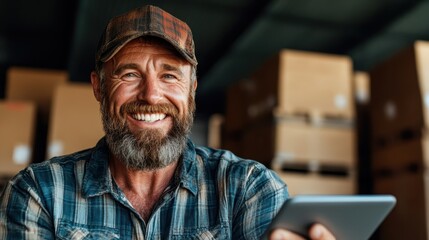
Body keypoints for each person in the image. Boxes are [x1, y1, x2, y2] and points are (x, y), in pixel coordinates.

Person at [0, 5, 335, 240]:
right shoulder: (40, 193)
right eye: (129, 74)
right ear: (99, 87)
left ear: (191, 90)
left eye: (170, 76)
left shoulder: (246, 188)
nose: (151, 95)